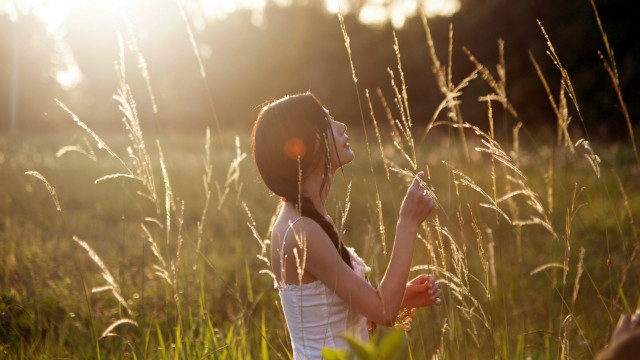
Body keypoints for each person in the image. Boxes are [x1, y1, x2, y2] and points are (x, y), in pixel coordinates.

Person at [251, 92, 442, 359]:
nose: (342, 127)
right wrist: (407, 224)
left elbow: (339, 320)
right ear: (306, 141)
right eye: (328, 120)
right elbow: (383, 312)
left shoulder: (304, 221)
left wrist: (403, 296)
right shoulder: (301, 230)